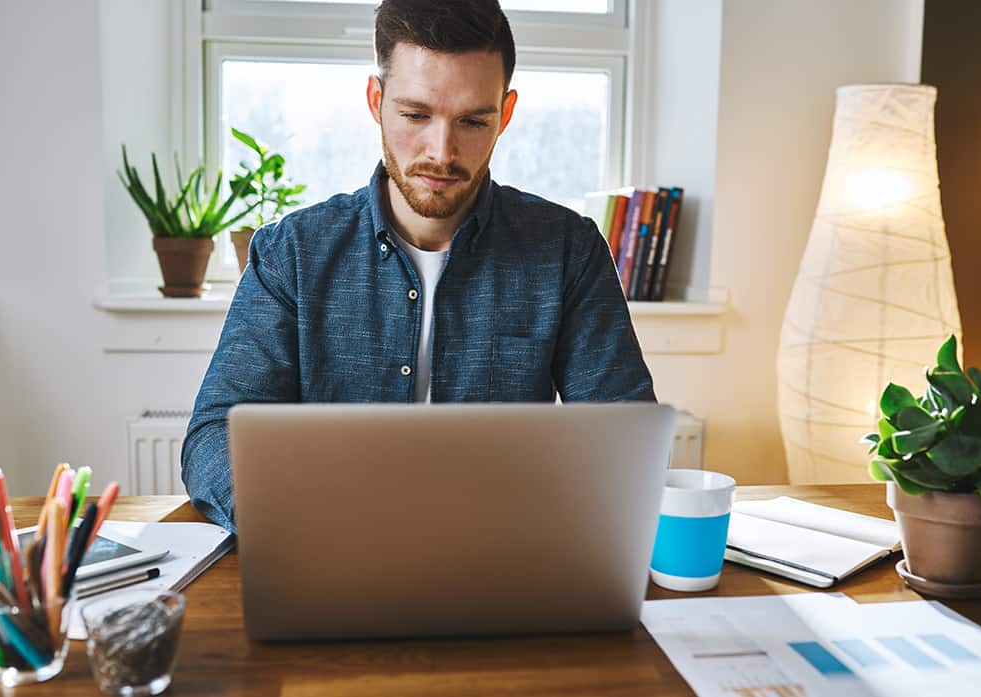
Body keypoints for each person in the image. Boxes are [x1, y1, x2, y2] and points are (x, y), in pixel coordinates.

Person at [182, 0, 655, 531]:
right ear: (376, 100)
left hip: (505, 560)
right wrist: (300, 522)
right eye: (415, 115)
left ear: (507, 112)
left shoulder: (569, 249)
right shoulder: (290, 253)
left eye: (474, 121)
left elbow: (625, 436)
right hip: (330, 552)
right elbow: (214, 436)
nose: (442, 151)